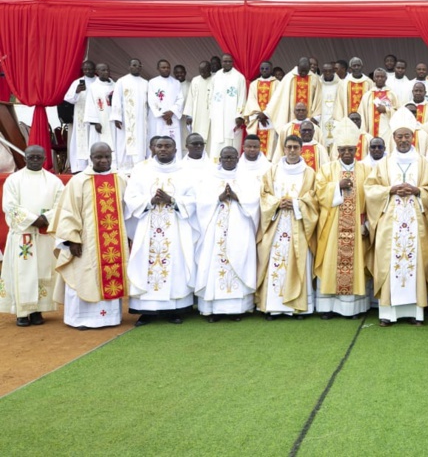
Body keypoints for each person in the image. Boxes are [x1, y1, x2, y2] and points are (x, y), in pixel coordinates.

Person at [364, 108, 428, 326]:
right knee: (389, 262)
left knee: (416, 263)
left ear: (412, 136)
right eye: (399, 136)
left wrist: (418, 191)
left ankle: (416, 313)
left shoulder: (424, 163)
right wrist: (390, 190)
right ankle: (387, 313)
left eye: (407, 135)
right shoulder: (384, 163)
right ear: (393, 138)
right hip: (391, 223)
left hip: (416, 223)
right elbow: (370, 188)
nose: (403, 140)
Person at [52, 142, 128, 329]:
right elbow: (69, 211)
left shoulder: (120, 179)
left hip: (114, 242)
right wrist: (71, 240)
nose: (103, 161)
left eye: (107, 157)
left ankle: (110, 318)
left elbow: (128, 211)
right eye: (98, 157)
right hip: (85, 241)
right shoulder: (79, 181)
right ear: (90, 158)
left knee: (110, 274)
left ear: (112, 156)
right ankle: (80, 319)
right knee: (84, 275)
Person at [124, 136, 197, 326]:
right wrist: (150, 201)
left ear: (175, 149)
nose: (163, 149)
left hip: (175, 226)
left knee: (176, 263)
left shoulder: (185, 171)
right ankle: (147, 311)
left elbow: (193, 198)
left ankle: (175, 309)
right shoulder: (141, 170)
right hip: (148, 225)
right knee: (145, 263)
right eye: (159, 146)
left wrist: (172, 200)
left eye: (168, 146)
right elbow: (130, 196)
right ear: (153, 148)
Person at [313, 118, 371, 318]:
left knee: (354, 264)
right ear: (337, 150)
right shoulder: (327, 169)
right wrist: (336, 186)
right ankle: (328, 307)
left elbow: (371, 195)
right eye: (343, 150)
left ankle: (352, 308)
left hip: (356, 226)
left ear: (356, 150)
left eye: (350, 150)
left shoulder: (366, 170)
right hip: (332, 226)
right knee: (331, 263)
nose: (347, 153)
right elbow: (319, 192)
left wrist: (366, 222)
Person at [0, 146, 63, 326]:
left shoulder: (53, 181)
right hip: (23, 235)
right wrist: (33, 219)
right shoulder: (14, 180)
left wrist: (46, 218)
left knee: (43, 271)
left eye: (38, 157)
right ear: (25, 158)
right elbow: (10, 206)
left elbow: (61, 204)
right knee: (23, 273)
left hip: (43, 235)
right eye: (31, 157)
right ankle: (21, 312)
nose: (34, 160)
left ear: (44, 158)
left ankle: (37, 311)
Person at [195, 147, 260, 321]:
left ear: (238, 159)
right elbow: (200, 203)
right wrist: (219, 197)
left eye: (232, 157)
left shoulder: (247, 178)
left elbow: (255, 200)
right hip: (215, 229)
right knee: (214, 263)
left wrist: (239, 197)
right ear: (220, 159)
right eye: (226, 157)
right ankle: (213, 309)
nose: (229, 160)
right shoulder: (210, 179)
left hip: (240, 227)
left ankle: (237, 310)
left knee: (238, 261)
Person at [256, 135, 318, 318]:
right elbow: (264, 195)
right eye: (289, 147)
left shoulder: (309, 173)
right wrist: (276, 204)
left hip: (298, 223)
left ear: (301, 150)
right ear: (284, 149)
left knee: (299, 261)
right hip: (277, 224)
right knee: (275, 261)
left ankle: (299, 307)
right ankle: (273, 307)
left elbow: (313, 199)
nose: (292, 151)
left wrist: (297, 204)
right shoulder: (272, 171)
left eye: (295, 147)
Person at [111, 58, 150, 172]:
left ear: (141, 67)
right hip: (125, 119)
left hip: (141, 120)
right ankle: (124, 167)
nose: (136, 67)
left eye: (138, 65)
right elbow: (116, 99)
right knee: (124, 142)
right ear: (129, 67)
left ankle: (139, 167)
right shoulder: (122, 81)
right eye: (134, 65)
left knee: (140, 142)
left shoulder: (145, 83)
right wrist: (117, 117)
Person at [266, 57, 322, 134]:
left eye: (305, 71)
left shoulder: (314, 79)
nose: (303, 73)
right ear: (297, 66)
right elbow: (278, 96)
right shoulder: (289, 77)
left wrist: (316, 117)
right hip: (291, 117)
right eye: (301, 71)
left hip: (309, 118)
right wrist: (266, 112)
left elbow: (319, 99)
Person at [207, 54, 247, 161]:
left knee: (231, 138)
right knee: (217, 140)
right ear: (222, 62)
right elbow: (211, 97)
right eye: (225, 61)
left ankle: (232, 162)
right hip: (218, 115)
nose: (227, 63)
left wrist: (240, 115)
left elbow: (242, 96)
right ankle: (216, 163)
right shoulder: (216, 77)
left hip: (232, 116)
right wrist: (212, 113)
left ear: (233, 62)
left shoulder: (239, 77)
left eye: (229, 61)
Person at [85, 63, 124, 169]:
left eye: (107, 70)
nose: (106, 72)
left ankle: (115, 165)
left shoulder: (115, 85)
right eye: (102, 70)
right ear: (97, 71)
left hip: (113, 119)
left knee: (115, 141)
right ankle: (98, 165)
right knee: (100, 141)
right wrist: (95, 121)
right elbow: (90, 104)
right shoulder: (93, 87)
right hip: (100, 120)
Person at [63, 60, 97, 173]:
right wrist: (77, 91)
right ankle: (80, 167)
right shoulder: (77, 82)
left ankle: (94, 164)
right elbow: (68, 98)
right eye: (85, 69)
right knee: (81, 140)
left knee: (94, 138)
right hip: (81, 117)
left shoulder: (98, 81)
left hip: (96, 117)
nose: (88, 71)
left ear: (94, 69)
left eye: (90, 69)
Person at [243, 61, 279, 157]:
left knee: (272, 145)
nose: (264, 70)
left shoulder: (278, 84)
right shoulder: (254, 84)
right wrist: (259, 114)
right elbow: (251, 100)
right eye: (262, 69)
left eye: (267, 69)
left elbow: (278, 101)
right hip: (257, 119)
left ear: (271, 69)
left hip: (271, 119)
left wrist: (266, 114)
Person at [147, 59, 185, 152]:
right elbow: (152, 100)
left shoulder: (176, 83)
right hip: (158, 118)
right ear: (158, 69)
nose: (166, 69)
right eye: (163, 67)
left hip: (173, 117)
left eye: (168, 67)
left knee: (173, 140)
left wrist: (171, 112)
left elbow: (180, 99)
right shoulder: (152, 82)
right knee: (158, 139)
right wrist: (163, 114)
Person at [311, 61, 346, 149]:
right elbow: (315, 101)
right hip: (321, 118)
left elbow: (343, 103)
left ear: (334, 71)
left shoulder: (341, 84)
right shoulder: (318, 83)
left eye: (330, 71)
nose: (327, 73)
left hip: (336, 118)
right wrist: (316, 116)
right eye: (325, 71)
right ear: (322, 71)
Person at [359, 69, 399, 140]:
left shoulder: (392, 94)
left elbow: (399, 112)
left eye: (382, 77)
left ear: (386, 78)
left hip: (387, 129)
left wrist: (386, 109)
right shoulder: (367, 95)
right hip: (371, 130)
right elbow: (362, 114)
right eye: (377, 76)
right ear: (374, 78)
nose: (379, 79)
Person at [183, 61, 213, 145]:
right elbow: (190, 98)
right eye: (201, 72)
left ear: (210, 69)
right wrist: (189, 115)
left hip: (210, 114)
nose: (203, 74)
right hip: (198, 114)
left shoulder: (215, 80)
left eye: (205, 71)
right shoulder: (195, 80)